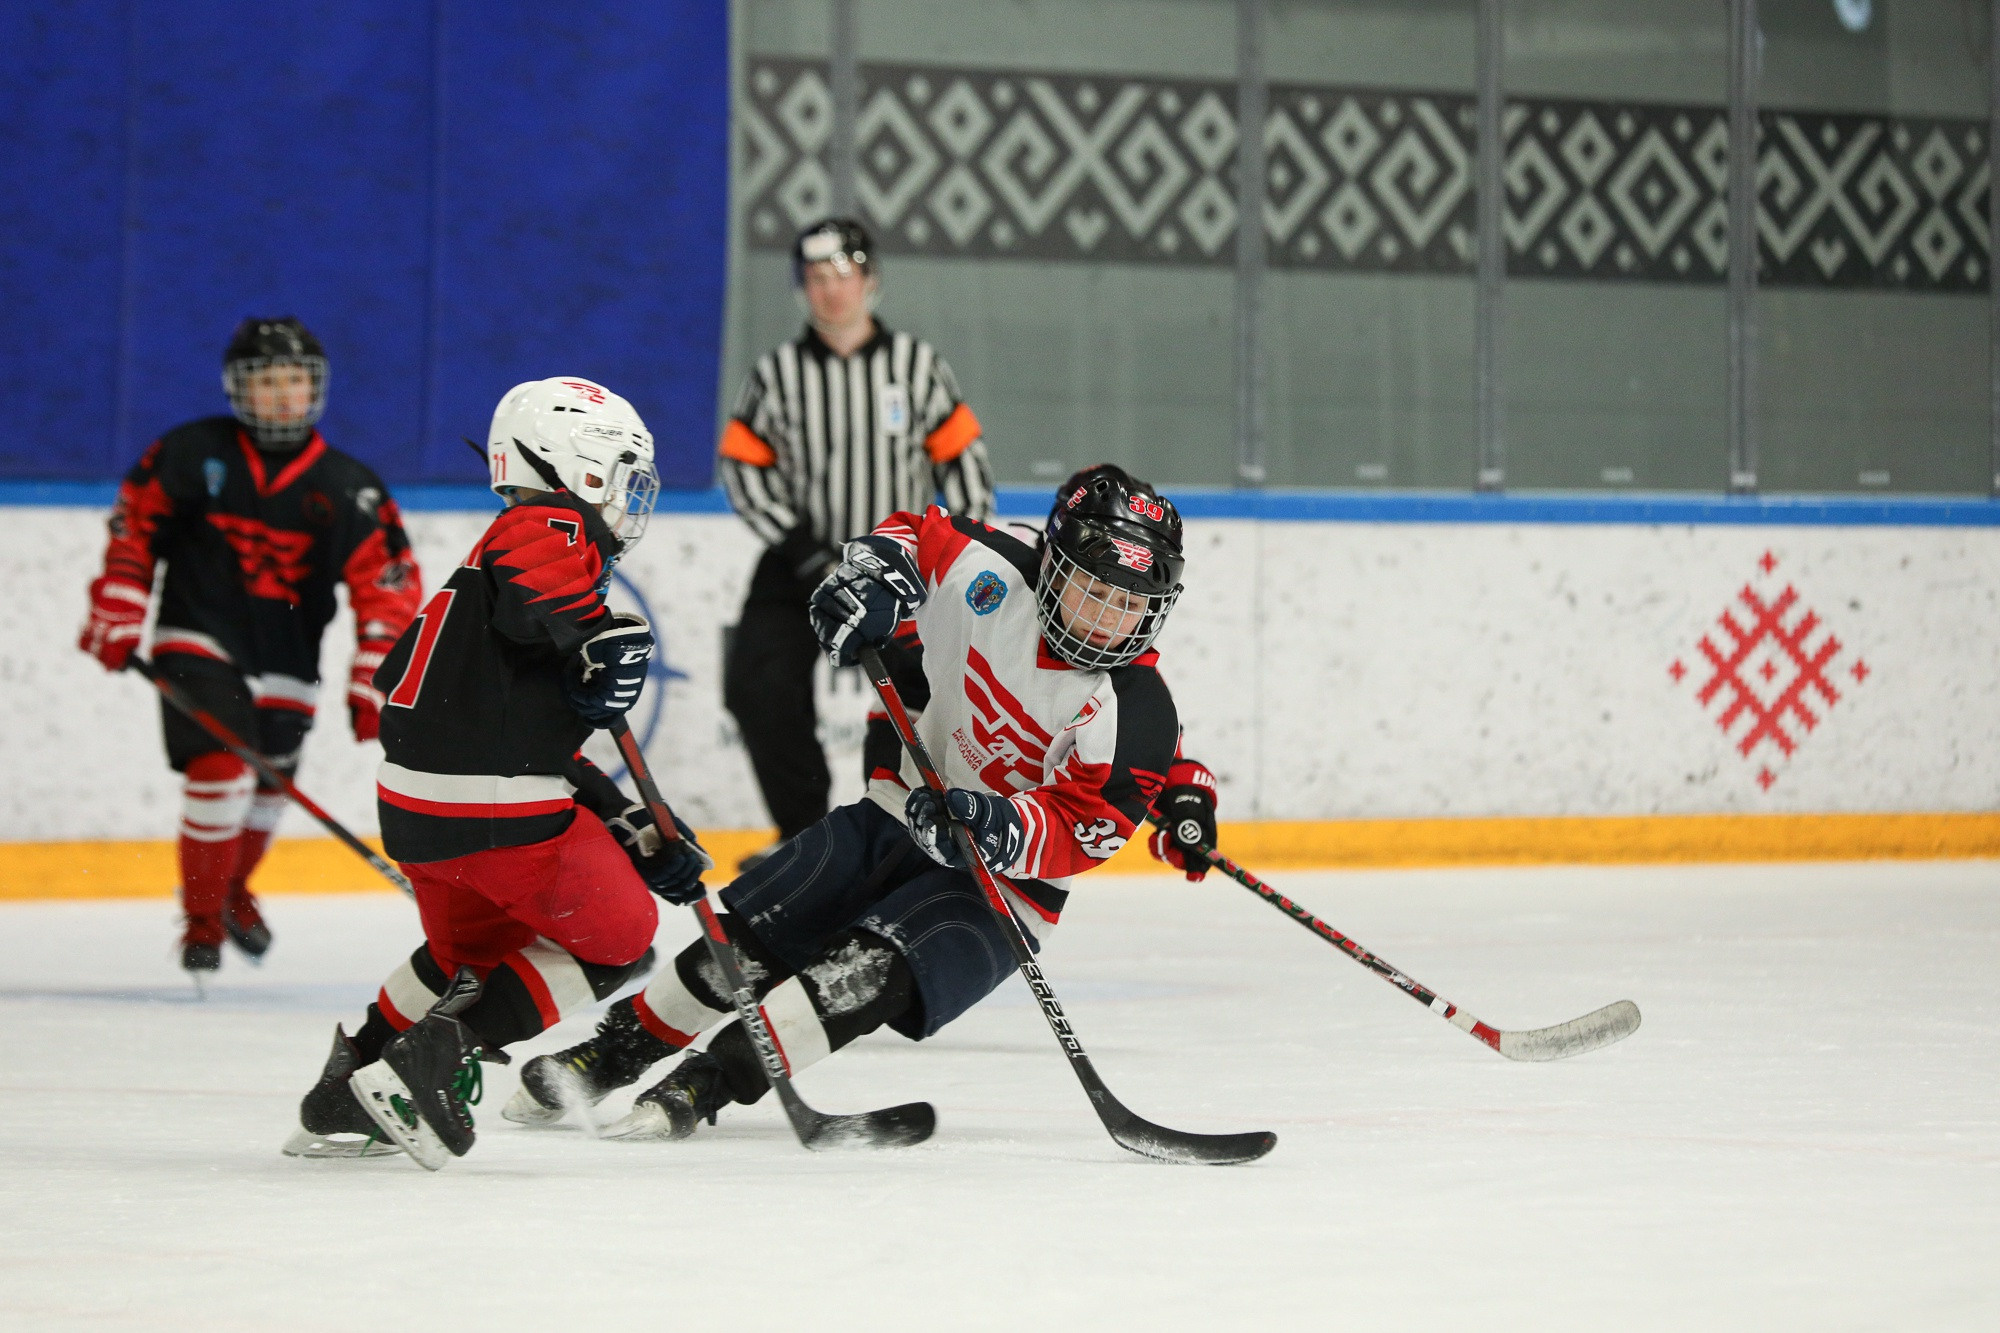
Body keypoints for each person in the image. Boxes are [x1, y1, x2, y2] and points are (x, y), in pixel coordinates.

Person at [502, 464, 1195, 1140]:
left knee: (861, 976)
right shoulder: (991, 569)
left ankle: (705, 1083)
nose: (1107, 621)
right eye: (1093, 592)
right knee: (754, 935)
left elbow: (1084, 825)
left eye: (1130, 604)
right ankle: (609, 1053)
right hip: (898, 809)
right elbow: (913, 536)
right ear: (1052, 565)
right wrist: (873, 581)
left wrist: (995, 825)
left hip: (1003, 886)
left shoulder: (1136, 710)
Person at [280, 376, 711, 1170]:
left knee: (470, 956)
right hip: (498, 810)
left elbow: (525, 732)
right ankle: (433, 1058)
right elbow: (535, 567)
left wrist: (628, 821)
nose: (627, 496)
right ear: (573, 463)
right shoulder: (549, 523)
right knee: (621, 942)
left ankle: (348, 1082)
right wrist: (588, 631)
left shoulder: (494, 561)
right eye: (619, 470)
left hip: (419, 808)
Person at [78, 317, 422, 977]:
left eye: (294, 380)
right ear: (239, 388)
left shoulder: (348, 486)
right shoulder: (190, 453)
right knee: (221, 767)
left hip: (290, 657)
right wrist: (118, 601)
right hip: (197, 633)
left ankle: (233, 888)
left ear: (316, 387)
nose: (283, 395)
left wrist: (374, 671)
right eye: (266, 380)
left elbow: (388, 586)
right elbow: (135, 527)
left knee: (269, 786)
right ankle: (202, 922)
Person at [717, 216, 995, 865]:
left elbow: (964, 461)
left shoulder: (917, 367)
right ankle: (804, 836)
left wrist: (955, 551)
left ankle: (903, 834)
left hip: (901, 571)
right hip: (800, 564)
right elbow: (743, 466)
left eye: (842, 274)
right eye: (816, 277)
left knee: (924, 702)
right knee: (758, 688)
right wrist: (801, 547)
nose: (830, 289)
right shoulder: (777, 374)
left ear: (869, 280)